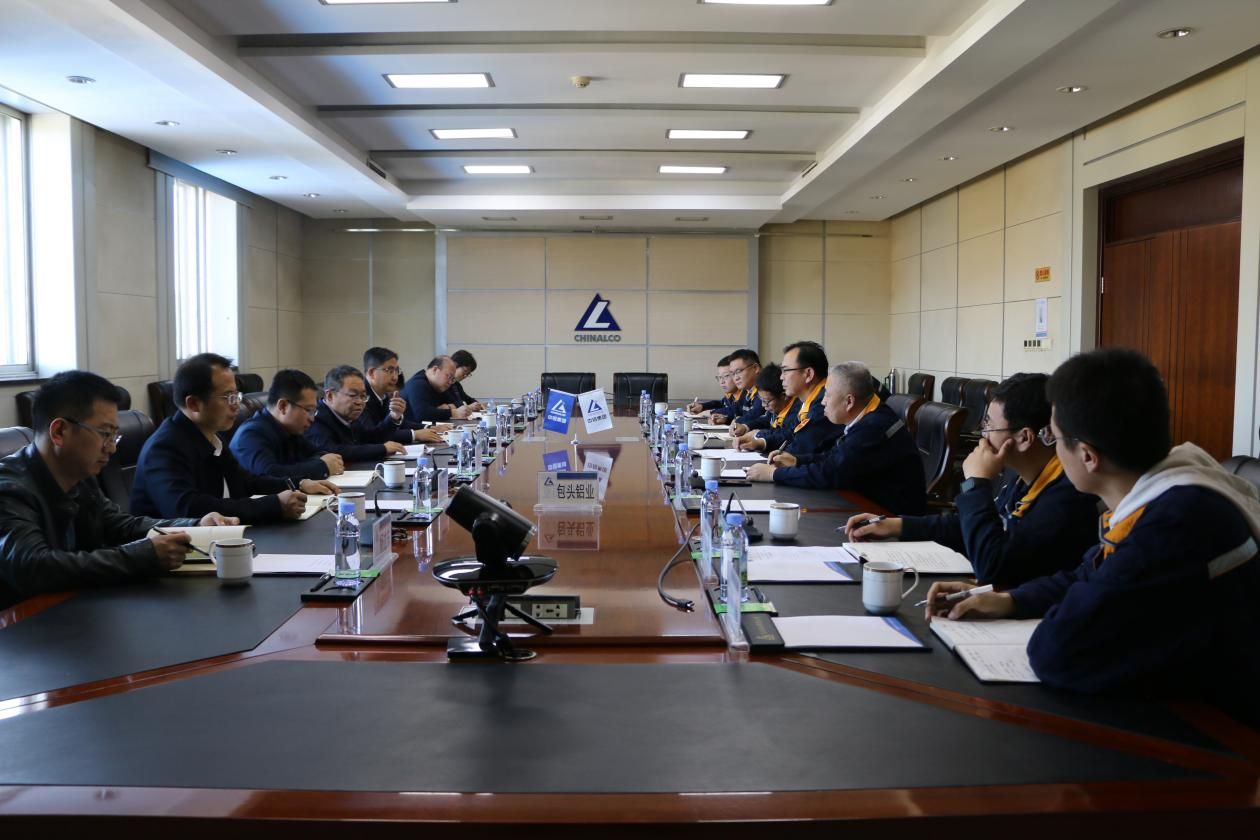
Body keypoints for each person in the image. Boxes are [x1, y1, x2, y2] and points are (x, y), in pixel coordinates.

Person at [924, 348, 1260, 723]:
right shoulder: (1165, 493)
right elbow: (1090, 575)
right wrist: (1008, 600)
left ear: (1087, 456)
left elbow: (1058, 652)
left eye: (1054, 437)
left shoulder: (1177, 524)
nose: (1051, 448)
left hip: (1219, 732)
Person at [0, 371, 238, 609]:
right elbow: (32, 567)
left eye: (115, 436)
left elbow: (122, 526)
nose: (111, 448)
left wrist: (195, 526)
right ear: (59, 431)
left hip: (75, 608)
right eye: (105, 434)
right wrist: (142, 556)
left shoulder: (80, 477)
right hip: (23, 622)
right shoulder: (9, 487)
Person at [846, 373, 1099, 586]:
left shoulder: (1066, 498)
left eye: (989, 425)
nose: (981, 433)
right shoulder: (1025, 477)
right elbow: (973, 524)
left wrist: (977, 483)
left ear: (1024, 438)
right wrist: (896, 526)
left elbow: (993, 568)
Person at [131, 354, 334, 524]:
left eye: (237, 396)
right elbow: (188, 508)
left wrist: (298, 483)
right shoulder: (165, 447)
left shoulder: (212, 437)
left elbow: (246, 482)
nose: (236, 405)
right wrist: (273, 505)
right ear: (193, 404)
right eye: (228, 397)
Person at [747, 361, 925, 514]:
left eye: (827, 395)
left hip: (888, 518)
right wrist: (797, 461)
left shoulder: (873, 428)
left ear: (849, 401)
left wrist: (774, 474)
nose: (823, 401)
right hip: (864, 505)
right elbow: (835, 457)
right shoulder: (869, 416)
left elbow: (830, 473)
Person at [229, 369, 345, 481]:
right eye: (308, 410)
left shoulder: (290, 429)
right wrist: (321, 466)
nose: (312, 419)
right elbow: (269, 474)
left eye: (314, 411)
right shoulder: (251, 435)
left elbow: (316, 453)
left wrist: (324, 460)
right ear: (283, 406)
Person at [735, 341, 841, 457]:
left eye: (786, 370)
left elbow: (802, 448)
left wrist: (773, 467)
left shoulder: (824, 404)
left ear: (808, 374)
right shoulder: (809, 401)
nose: (781, 377)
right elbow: (790, 433)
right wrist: (762, 443)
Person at [306, 365, 409, 463]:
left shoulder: (348, 417)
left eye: (363, 396)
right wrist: (382, 448)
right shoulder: (316, 419)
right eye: (353, 395)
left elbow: (370, 438)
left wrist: (394, 416)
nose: (360, 402)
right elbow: (333, 451)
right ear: (330, 396)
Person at [360, 347, 445, 445]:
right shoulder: (361, 397)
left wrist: (428, 427)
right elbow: (373, 435)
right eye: (390, 370)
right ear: (371, 373)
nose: (395, 377)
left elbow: (398, 423)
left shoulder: (383, 395)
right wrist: (414, 434)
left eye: (397, 371)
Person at [403, 356, 474, 424]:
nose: (450, 382)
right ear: (435, 370)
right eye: (448, 376)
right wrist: (454, 413)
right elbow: (423, 414)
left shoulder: (437, 386)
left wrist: (446, 408)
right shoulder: (417, 383)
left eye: (452, 379)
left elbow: (454, 403)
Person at [730, 364, 794, 437]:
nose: (763, 405)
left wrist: (758, 434)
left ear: (784, 396)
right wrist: (745, 427)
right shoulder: (775, 409)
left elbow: (783, 434)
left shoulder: (795, 412)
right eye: (761, 400)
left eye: (766, 401)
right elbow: (764, 420)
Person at [723, 349, 763, 426]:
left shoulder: (765, 390)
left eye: (738, 371)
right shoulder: (746, 391)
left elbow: (754, 414)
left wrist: (737, 421)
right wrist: (725, 418)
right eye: (732, 374)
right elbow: (735, 410)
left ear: (755, 368)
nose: (736, 378)